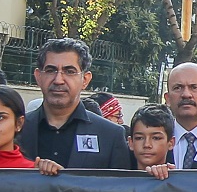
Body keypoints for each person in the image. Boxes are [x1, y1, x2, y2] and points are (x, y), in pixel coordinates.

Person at [18, 39, 133, 170]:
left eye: (69, 71)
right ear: (38, 77)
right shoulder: (16, 130)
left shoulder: (110, 135)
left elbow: (119, 183)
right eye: (51, 70)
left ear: (85, 79)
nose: (58, 80)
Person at [126, 105, 179, 178]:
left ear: (171, 143)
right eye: (139, 138)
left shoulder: (177, 181)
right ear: (131, 142)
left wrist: (174, 179)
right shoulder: (118, 181)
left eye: (156, 138)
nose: (147, 145)